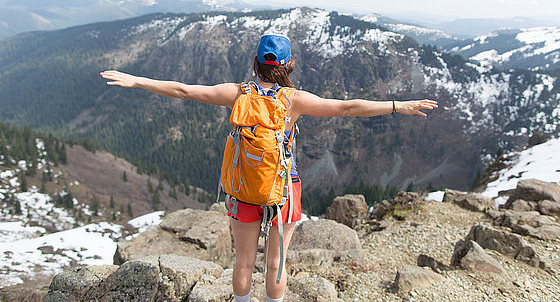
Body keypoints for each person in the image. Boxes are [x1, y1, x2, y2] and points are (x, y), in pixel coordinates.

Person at [100, 33, 438, 302]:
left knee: (243, 261)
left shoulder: (237, 93)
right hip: (284, 190)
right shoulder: (294, 101)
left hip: (245, 190)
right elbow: (348, 108)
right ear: (289, 64)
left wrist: (136, 80)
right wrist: (397, 105)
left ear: (256, 62)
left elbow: (184, 90)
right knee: (275, 264)